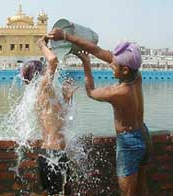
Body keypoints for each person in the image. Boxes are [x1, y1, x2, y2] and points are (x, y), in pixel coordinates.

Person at [48, 29, 152, 196]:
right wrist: (67, 37)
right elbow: (97, 51)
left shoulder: (118, 93)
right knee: (141, 185)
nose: (110, 65)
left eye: (114, 65)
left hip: (129, 143)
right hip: (144, 136)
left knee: (128, 192)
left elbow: (91, 92)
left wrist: (86, 64)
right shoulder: (136, 76)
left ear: (124, 70)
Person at [21, 36, 77, 195]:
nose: (48, 70)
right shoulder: (42, 87)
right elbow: (53, 60)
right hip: (53, 154)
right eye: (45, 69)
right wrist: (42, 45)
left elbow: (59, 120)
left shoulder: (44, 94)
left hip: (54, 153)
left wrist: (66, 99)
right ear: (40, 73)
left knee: (62, 192)